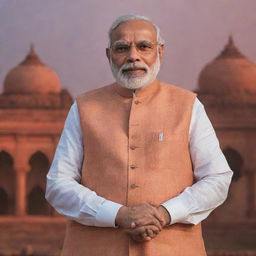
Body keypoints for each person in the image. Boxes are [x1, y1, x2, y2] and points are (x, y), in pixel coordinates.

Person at [45, 14, 233, 256]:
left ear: (160, 52)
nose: (133, 56)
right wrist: (117, 214)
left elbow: (217, 178)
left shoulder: (187, 106)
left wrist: (166, 213)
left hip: (173, 249)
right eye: (122, 48)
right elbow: (58, 184)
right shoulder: (84, 107)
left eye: (144, 46)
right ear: (108, 55)